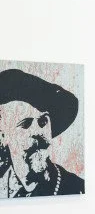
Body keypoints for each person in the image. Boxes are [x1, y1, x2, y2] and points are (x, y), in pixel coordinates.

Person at [0, 68, 84, 198]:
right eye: (26, 124)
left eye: (43, 122)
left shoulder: (75, 188)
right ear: (3, 135)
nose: (38, 133)